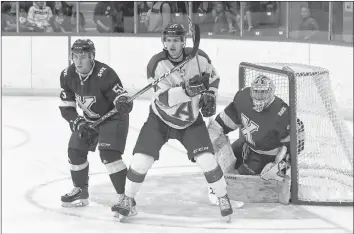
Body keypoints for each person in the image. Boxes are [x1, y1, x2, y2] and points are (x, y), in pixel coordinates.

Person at [111, 23, 233, 221]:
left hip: (191, 121)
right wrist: (188, 90)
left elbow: (213, 78)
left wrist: (210, 95)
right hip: (159, 121)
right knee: (141, 160)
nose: (172, 44)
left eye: (176, 40)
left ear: (183, 41)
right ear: (163, 42)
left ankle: (223, 197)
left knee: (207, 160)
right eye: (168, 40)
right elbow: (164, 99)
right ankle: (128, 198)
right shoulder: (156, 64)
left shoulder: (199, 58)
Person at [58, 39, 136, 215]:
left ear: (92, 56)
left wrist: (123, 102)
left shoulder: (105, 73)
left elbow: (120, 97)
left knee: (109, 155)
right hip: (89, 121)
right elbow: (66, 107)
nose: (78, 61)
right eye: (75, 57)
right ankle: (80, 191)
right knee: (75, 150)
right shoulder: (67, 74)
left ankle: (126, 199)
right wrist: (78, 122)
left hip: (113, 118)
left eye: (83, 57)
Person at [207, 74, 305, 204]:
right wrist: (212, 133)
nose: (259, 96)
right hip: (246, 145)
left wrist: (280, 164)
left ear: (271, 92)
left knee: (238, 182)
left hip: (265, 157)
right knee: (223, 165)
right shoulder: (243, 98)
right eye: (257, 92)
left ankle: (277, 177)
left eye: (263, 92)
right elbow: (229, 118)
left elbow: (297, 137)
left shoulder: (281, 112)